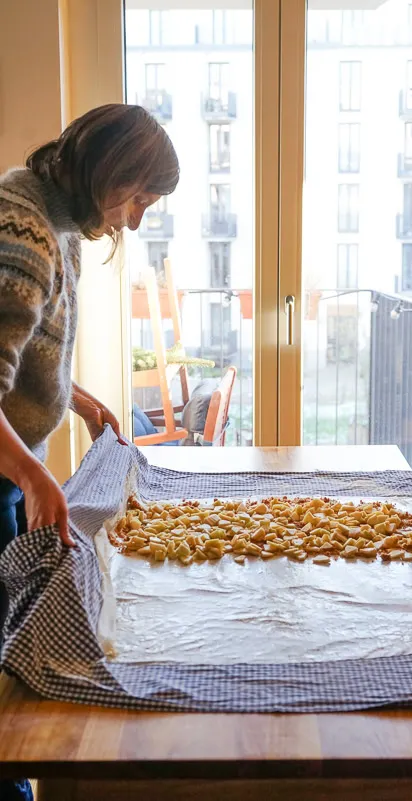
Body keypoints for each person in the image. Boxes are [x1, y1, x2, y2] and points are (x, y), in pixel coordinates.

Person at [0, 103, 179, 801]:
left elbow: (24, 347)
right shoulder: (24, 231)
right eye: (137, 198)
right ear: (110, 172)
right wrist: (34, 472)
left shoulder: (61, 218)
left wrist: (77, 397)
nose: (134, 219)